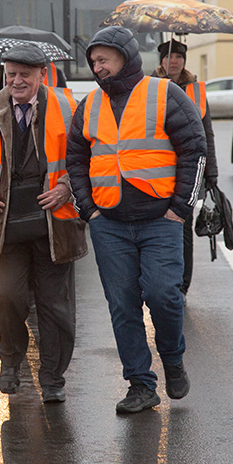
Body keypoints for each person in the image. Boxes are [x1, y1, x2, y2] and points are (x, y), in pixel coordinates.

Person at [66, 26, 207, 414]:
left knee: (164, 293)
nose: (97, 67)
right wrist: (89, 210)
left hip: (160, 219)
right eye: (93, 61)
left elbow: (195, 149)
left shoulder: (165, 94)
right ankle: (140, 384)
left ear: (125, 57)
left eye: (103, 59)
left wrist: (180, 208)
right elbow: (75, 159)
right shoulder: (89, 105)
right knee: (122, 304)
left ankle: (173, 359)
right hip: (109, 223)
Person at [0, 42, 87, 404]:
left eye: (24, 75)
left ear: (42, 75)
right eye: (10, 74)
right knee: (7, 295)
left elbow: (87, 155)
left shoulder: (68, 106)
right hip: (6, 224)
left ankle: (52, 377)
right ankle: (11, 360)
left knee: (54, 305)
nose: (16, 81)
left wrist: (66, 187)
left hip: (55, 224)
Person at [153, 39, 218, 301]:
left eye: (179, 57)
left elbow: (207, 134)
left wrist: (211, 173)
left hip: (189, 169)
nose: (174, 62)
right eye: (169, 57)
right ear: (161, 61)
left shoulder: (196, 90)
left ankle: (181, 285)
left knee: (182, 225)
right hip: (157, 169)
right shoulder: (149, 86)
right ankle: (159, 280)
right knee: (157, 226)